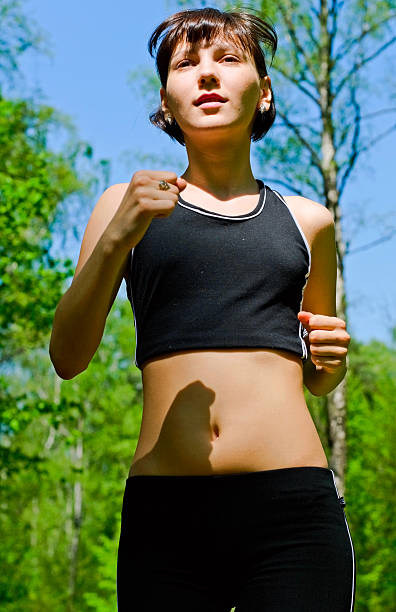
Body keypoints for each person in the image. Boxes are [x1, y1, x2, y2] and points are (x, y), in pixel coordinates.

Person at [49, 6, 356, 612]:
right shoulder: (125, 203)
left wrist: (332, 361)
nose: (207, 75)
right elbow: (66, 357)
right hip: (167, 515)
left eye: (228, 60)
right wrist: (119, 235)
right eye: (186, 65)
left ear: (263, 93)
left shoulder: (309, 223)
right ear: (166, 100)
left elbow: (320, 376)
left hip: (292, 511)